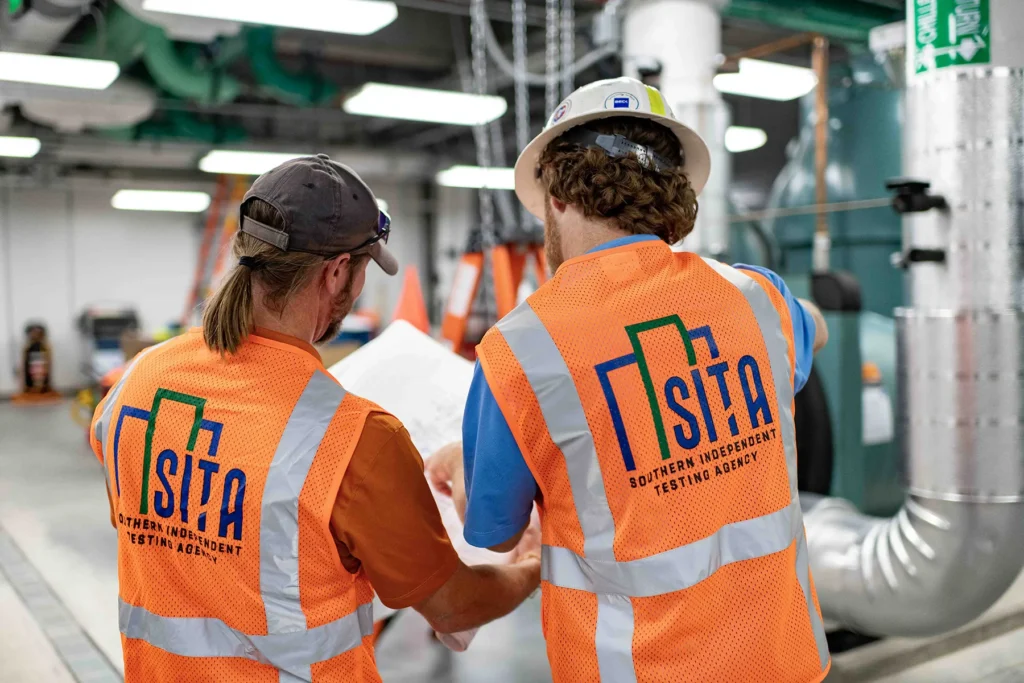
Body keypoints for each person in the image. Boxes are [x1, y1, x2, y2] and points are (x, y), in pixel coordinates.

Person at [427, 78, 832, 682]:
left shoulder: (521, 348)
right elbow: (816, 328)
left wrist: (463, 463)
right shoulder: (754, 295)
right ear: (672, 196)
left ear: (555, 198)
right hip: (782, 658)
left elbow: (494, 530)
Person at [90, 154, 540, 683]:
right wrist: (531, 567)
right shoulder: (356, 439)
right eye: (361, 271)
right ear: (334, 274)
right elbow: (453, 608)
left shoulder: (135, 382)